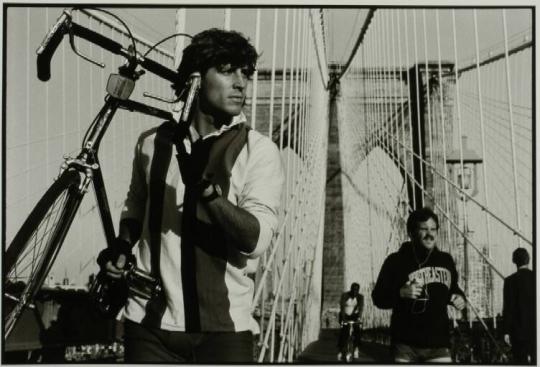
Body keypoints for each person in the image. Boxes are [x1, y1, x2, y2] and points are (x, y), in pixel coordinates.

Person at [97, 28, 284, 363]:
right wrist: (122, 247)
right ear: (195, 79)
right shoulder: (151, 143)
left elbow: (255, 239)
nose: (241, 83)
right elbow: (135, 206)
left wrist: (208, 194)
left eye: (245, 73)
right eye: (227, 71)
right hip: (147, 327)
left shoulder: (259, 151)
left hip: (225, 334)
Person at [371, 207, 466, 363]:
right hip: (405, 345)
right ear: (411, 233)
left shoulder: (445, 260)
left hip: (439, 344)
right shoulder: (395, 261)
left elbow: (452, 288)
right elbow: (378, 298)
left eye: (433, 229)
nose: (430, 234)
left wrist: (459, 297)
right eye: (424, 229)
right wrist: (400, 293)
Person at [503, 248, 535, 364]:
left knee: (520, 362)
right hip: (536, 330)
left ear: (514, 261)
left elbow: (508, 309)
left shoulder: (510, 281)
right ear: (529, 260)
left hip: (518, 332)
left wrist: (506, 331)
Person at [337, 282, 364, 360]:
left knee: (357, 331)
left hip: (354, 316)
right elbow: (342, 308)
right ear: (351, 289)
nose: (355, 292)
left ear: (358, 290)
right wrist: (343, 319)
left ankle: (356, 348)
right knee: (343, 332)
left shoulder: (360, 297)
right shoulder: (345, 295)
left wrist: (359, 318)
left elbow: (361, 308)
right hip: (344, 315)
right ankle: (340, 350)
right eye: (353, 290)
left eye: (357, 290)